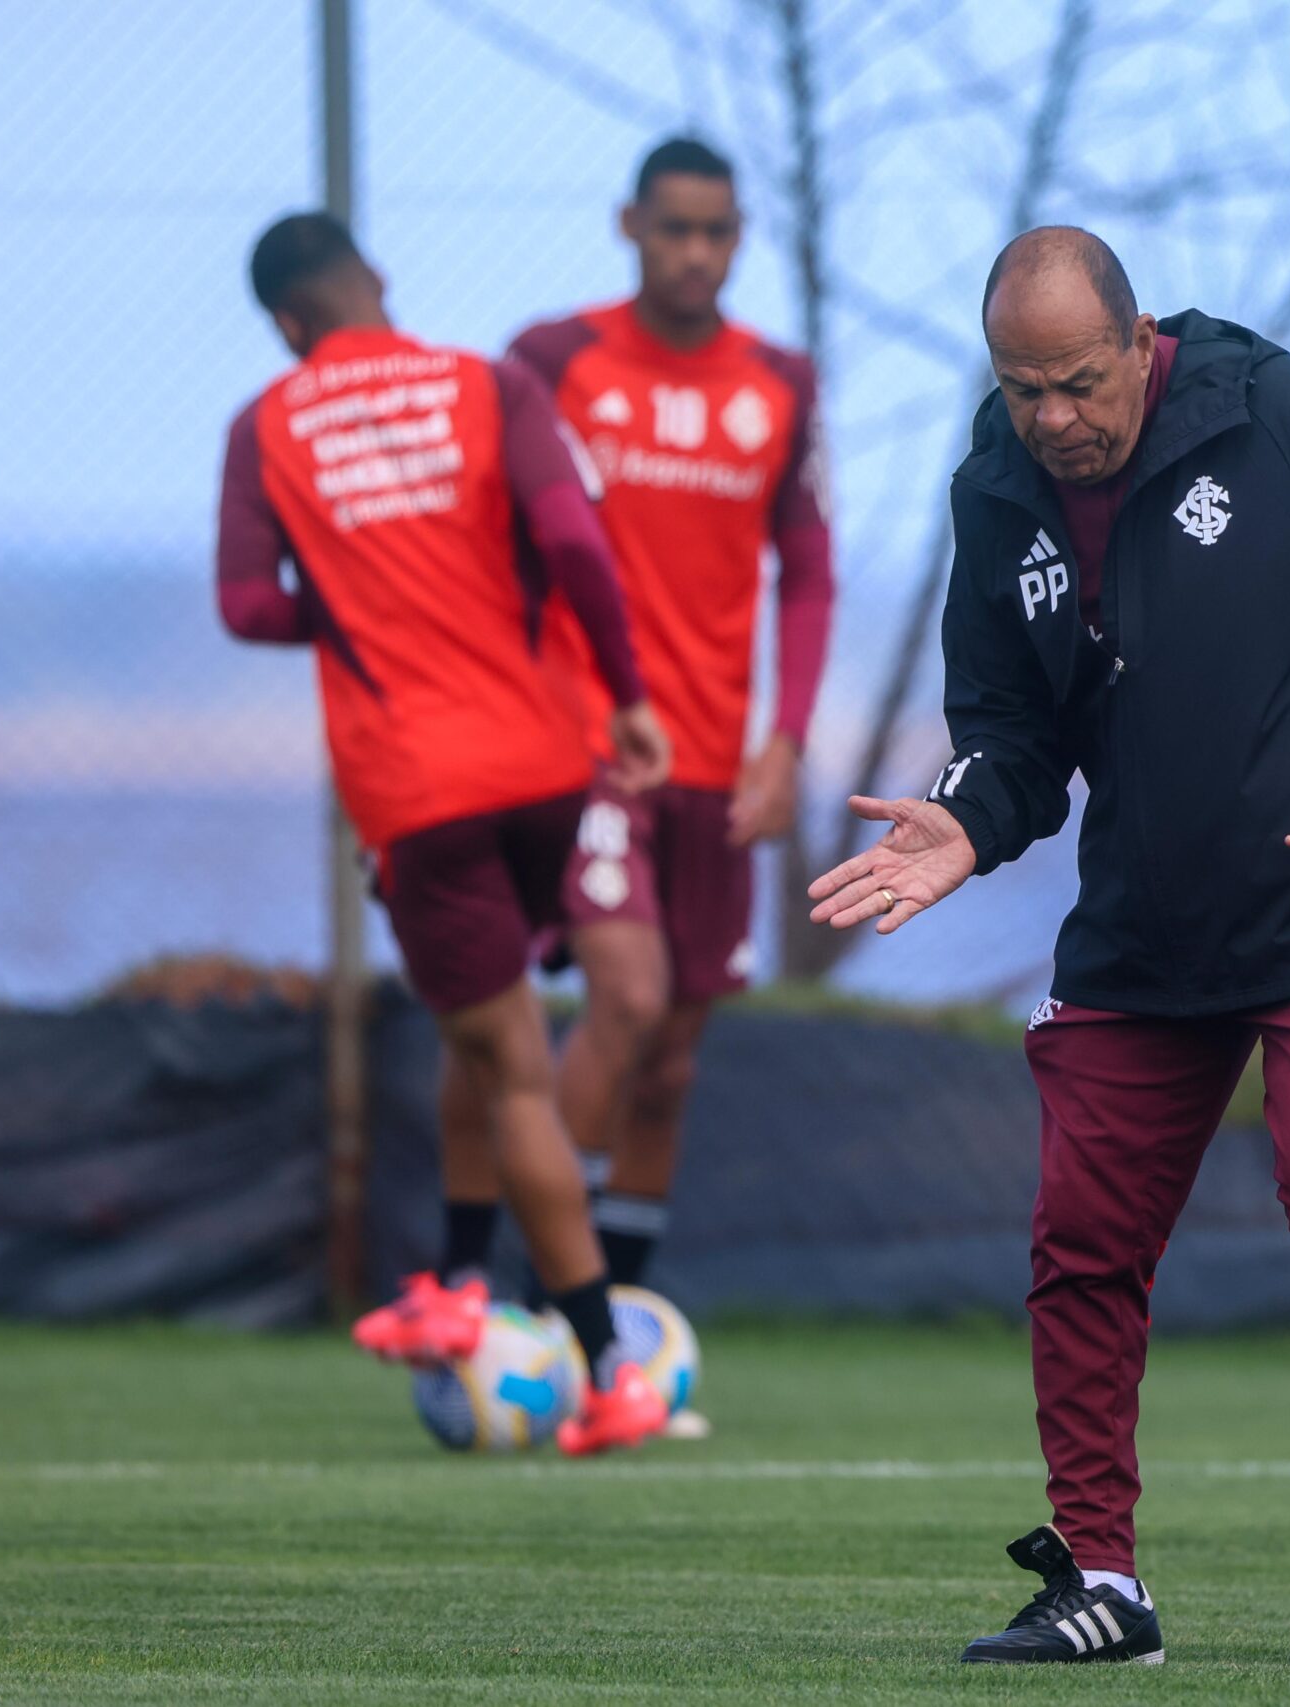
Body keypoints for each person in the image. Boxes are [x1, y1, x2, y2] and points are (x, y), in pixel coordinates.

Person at [807, 228, 1290, 1666]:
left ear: (1140, 342)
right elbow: (1014, 734)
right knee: (1079, 1241)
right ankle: (1100, 1577)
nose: (1054, 419)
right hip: (1143, 926)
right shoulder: (996, 485)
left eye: (1078, 383)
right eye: (1024, 390)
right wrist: (966, 818)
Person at [216, 211, 672, 1456]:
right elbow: (573, 540)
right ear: (378, 285)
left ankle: (599, 1363)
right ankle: (464, 1282)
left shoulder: (264, 427)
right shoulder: (488, 384)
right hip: (547, 759)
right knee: (521, 1033)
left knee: (508, 1061)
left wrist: (350, 594)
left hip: (418, 791)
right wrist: (626, 697)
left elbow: (247, 605)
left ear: (287, 324)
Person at [507, 137, 835, 1351]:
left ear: (738, 237)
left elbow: (806, 576)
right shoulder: (550, 362)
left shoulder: (780, 381)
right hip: (589, 747)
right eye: (674, 228)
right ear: (629, 225)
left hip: (716, 762)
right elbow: (498, 547)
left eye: (718, 232)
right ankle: (547, 1307)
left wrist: (785, 742)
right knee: (626, 998)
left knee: (676, 1053)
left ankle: (622, 1319)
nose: (696, 253)